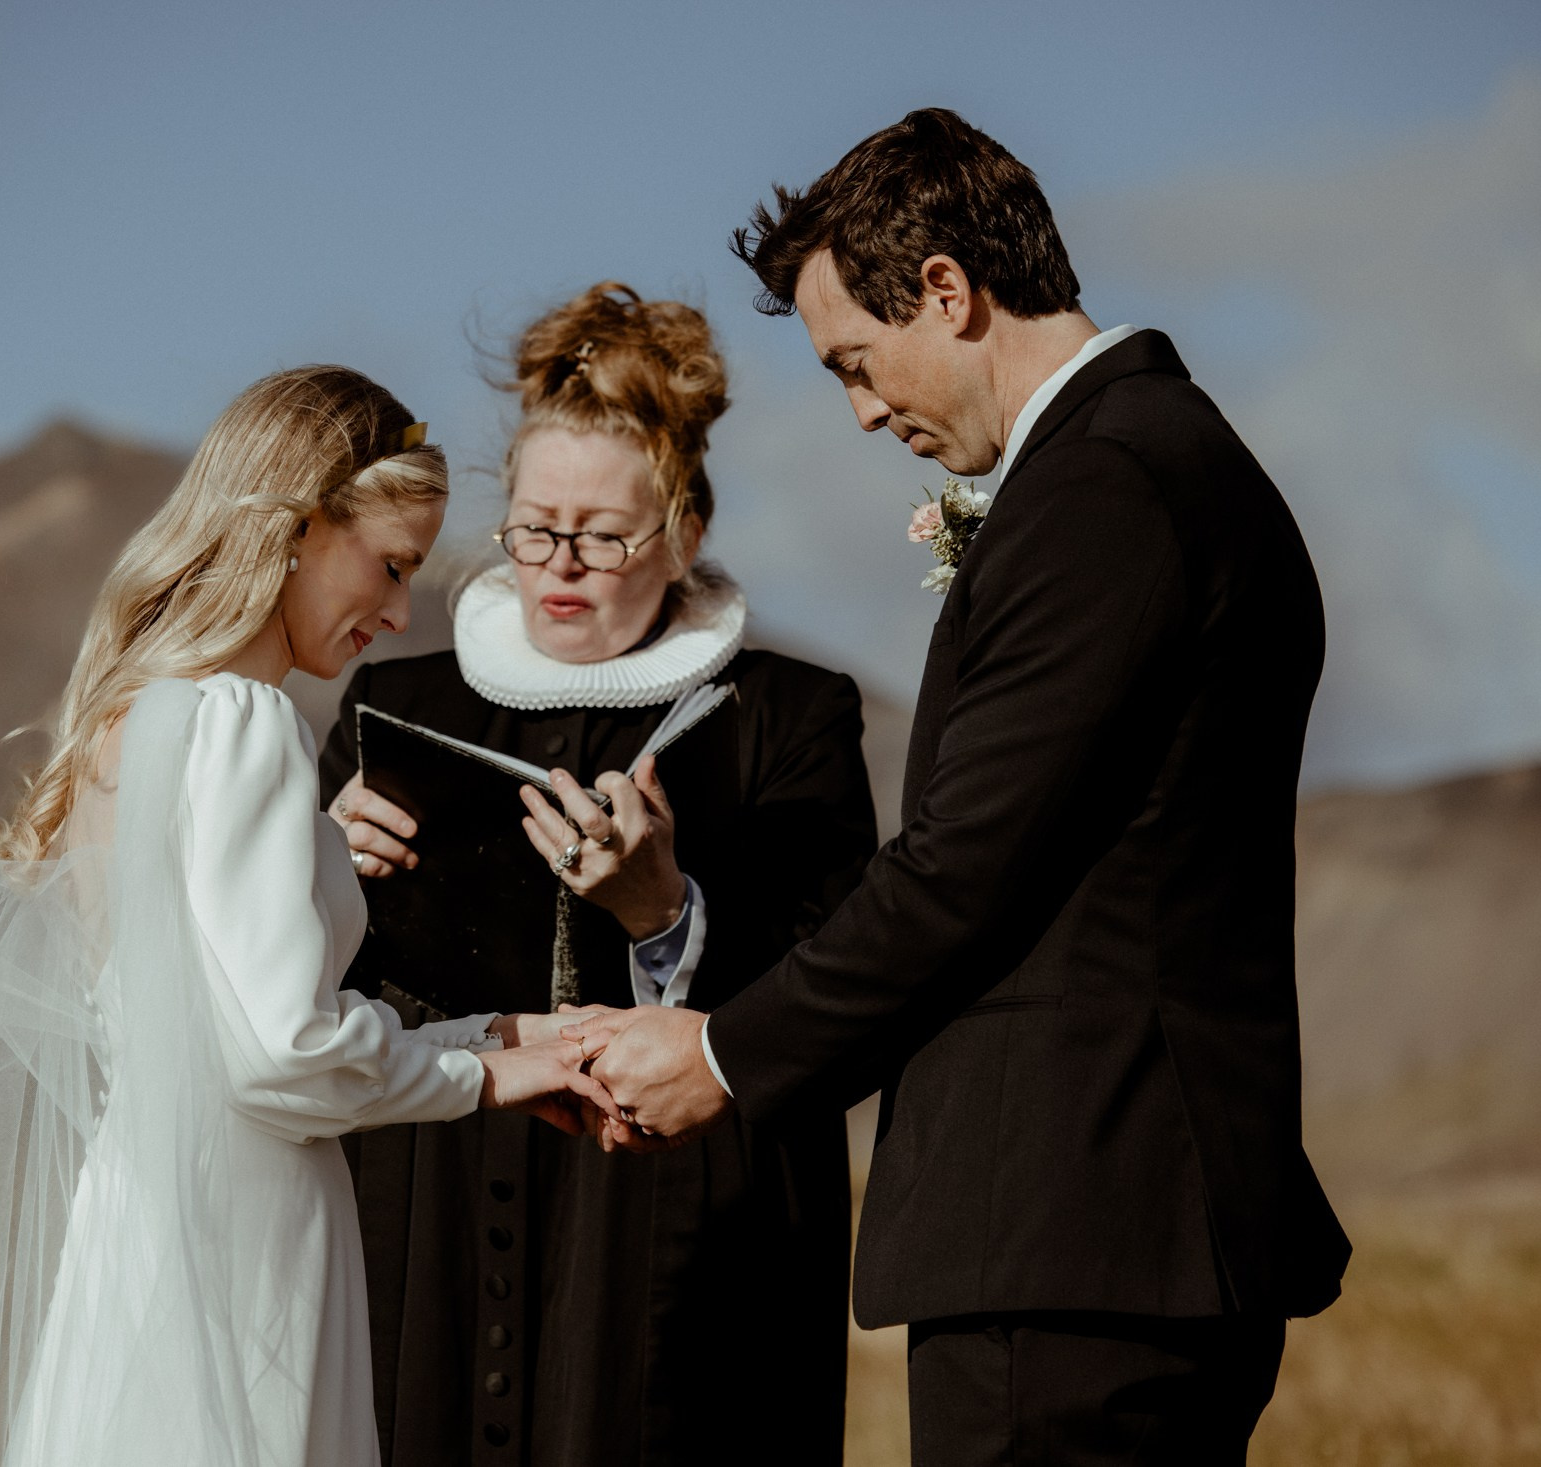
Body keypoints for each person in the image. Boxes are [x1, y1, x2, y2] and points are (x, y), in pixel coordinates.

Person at [567, 111, 1354, 1464]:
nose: (866, 413)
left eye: (856, 364)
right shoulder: (1160, 458)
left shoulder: (1104, 488)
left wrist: (720, 1053)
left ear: (947, 288)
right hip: (1124, 1235)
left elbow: (965, 867)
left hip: (1069, 1235)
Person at [0, 366, 610, 1467]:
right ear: (299, 529)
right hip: (244, 1255)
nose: (403, 612)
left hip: (135, 1234)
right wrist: (485, 1077)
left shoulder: (134, 719)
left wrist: (494, 1035)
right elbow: (282, 1057)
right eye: (393, 566)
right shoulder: (251, 725)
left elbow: (204, 1036)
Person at [321, 283, 877, 1466]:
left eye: (604, 536)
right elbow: (298, 991)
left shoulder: (789, 718)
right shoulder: (392, 706)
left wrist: (661, 913)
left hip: (675, 1239)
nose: (560, 565)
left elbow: (837, 994)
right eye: (534, 529)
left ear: (683, 532)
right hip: (424, 1210)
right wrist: (319, 867)